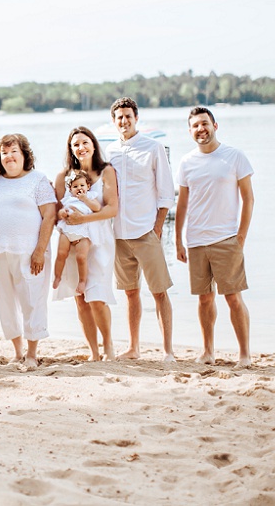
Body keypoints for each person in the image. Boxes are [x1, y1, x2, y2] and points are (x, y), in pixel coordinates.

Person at [175, 107, 254, 367]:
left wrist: (241, 236)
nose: (201, 129)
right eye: (195, 125)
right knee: (204, 298)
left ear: (215, 125)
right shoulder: (187, 162)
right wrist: (178, 239)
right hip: (196, 241)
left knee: (233, 297)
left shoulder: (234, 157)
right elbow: (183, 204)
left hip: (226, 239)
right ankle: (208, 351)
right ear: (190, 131)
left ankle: (244, 354)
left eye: (204, 123)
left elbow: (248, 198)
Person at [105, 97, 176, 362]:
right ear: (114, 121)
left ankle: (168, 351)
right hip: (119, 235)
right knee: (130, 292)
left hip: (146, 232)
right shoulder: (109, 152)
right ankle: (134, 348)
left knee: (159, 292)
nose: (124, 121)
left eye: (128, 116)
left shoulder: (153, 147)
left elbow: (166, 193)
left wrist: (157, 228)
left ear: (136, 118)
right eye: (119, 117)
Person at [0, 134, 56, 368]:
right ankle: (17, 352)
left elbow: (49, 216)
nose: (9, 156)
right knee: (5, 303)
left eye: (14, 151)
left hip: (29, 252)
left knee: (32, 302)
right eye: (4, 153)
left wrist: (40, 250)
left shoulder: (38, 179)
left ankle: (32, 354)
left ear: (24, 154)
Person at [54, 127, 118, 361]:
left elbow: (112, 209)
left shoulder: (106, 172)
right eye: (75, 145)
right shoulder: (64, 177)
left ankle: (108, 345)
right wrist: (63, 216)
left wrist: (85, 218)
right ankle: (93, 352)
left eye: (84, 142)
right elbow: (56, 209)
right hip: (73, 241)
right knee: (80, 298)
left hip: (99, 241)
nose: (81, 148)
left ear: (93, 144)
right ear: (71, 150)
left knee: (97, 296)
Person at [52, 170, 107, 296]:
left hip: (83, 232)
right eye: (75, 186)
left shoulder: (91, 197)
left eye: (82, 185)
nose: (79, 188)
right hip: (67, 230)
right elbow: (60, 212)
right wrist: (63, 213)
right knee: (61, 253)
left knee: (81, 257)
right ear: (70, 189)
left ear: (88, 186)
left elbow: (97, 208)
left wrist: (84, 199)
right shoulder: (68, 199)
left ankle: (82, 281)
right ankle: (57, 276)